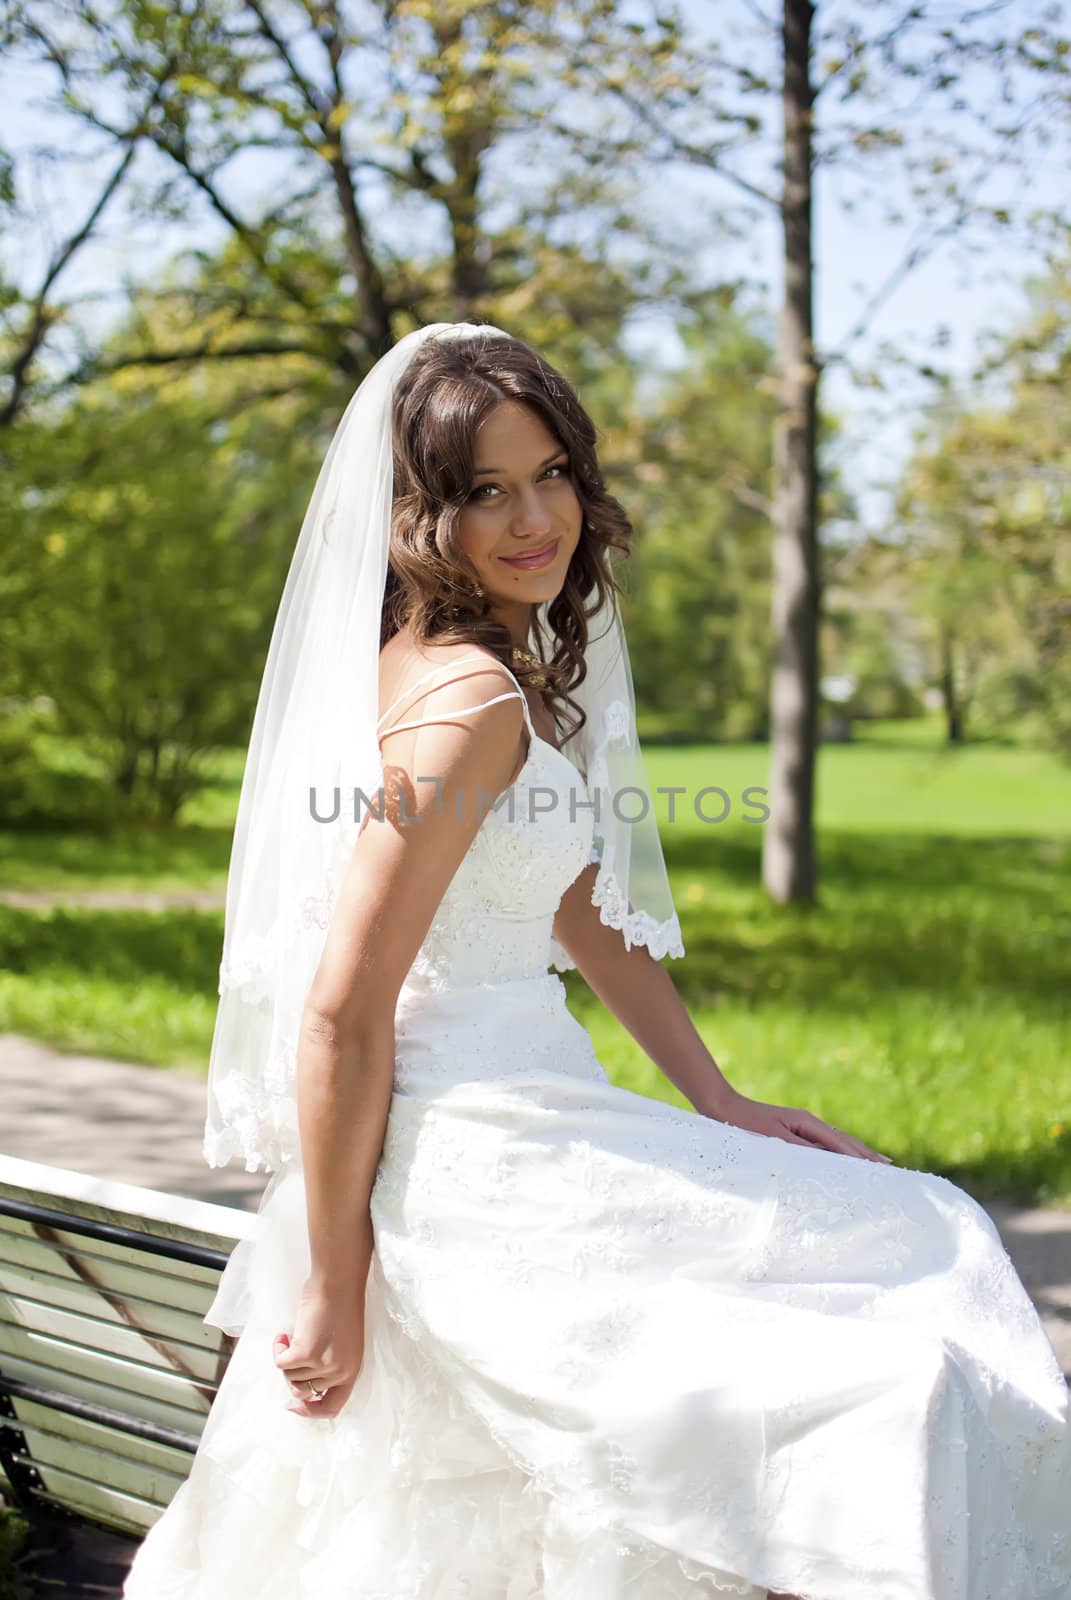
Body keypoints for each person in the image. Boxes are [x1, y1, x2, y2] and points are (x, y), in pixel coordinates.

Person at [121, 323, 1070, 1600]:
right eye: (484, 490)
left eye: (552, 472)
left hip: (535, 1103)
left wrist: (719, 1099)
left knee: (918, 1234)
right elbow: (344, 1009)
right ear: (419, 512)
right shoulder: (469, 708)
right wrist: (340, 1284)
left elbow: (580, 908)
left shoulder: (445, 665)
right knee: (910, 1326)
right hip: (475, 1138)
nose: (535, 519)